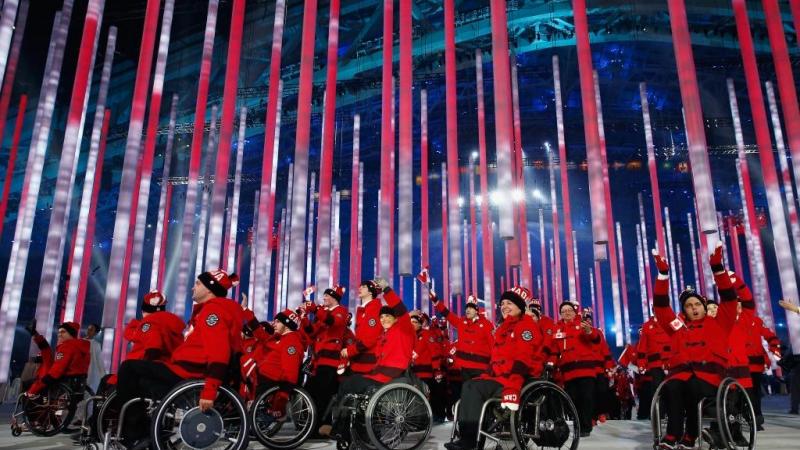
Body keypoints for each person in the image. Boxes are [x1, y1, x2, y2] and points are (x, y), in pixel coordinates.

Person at [113, 269, 242, 449]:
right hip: (184, 370)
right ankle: (147, 432)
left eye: (197, 284)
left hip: (189, 373)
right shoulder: (208, 312)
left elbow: (219, 353)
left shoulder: (213, 312)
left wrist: (209, 391)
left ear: (210, 289)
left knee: (129, 368)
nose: (192, 287)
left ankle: (135, 434)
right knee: (139, 382)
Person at [651, 244, 738, 450]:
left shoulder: (719, 323)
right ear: (685, 311)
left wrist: (717, 268)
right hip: (681, 376)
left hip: (709, 377)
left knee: (691, 388)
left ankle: (690, 436)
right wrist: (663, 275)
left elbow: (729, 298)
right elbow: (661, 307)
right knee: (671, 387)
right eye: (689, 306)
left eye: (697, 304)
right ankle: (673, 435)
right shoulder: (677, 327)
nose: (694, 308)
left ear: (704, 306)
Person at [445, 287, 542, 450]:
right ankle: (468, 438)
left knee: (474, 388)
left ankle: (469, 441)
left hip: (519, 381)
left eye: (509, 303)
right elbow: (496, 360)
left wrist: (513, 387)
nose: (504, 306)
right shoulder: (503, 329)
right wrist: (486, 374)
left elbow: (523, 361)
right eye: (502, 303)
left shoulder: (526, 327)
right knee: (469, 385)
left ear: (520, 307)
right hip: (501, 379)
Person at [325, 278, 414, 439]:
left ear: (395, 319)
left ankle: (342, 430)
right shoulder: (384, 335)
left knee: (350, 384)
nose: (384, 319)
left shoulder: (403, 329)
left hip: (392, 376)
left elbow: (400, 309)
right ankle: (349, 430)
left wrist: (386, 289)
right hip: (378, 374)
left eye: (388, 316)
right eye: (382, 318)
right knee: (349, 387)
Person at [550, 301, 603, 437]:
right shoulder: (557, 329)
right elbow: (555, 351)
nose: (566, 312)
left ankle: (584, 427)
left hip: (586, 370)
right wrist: (551, 364)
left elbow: (596, 339)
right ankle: (578, 424)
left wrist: (589, 331)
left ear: (574, 312)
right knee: (573, 399)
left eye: (569, 310)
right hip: (568, 372)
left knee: (586, 398)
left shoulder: (583, 324)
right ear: (560, 314)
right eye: (563, 311)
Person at [302, 285, 348, 430]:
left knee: (323, 395)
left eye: (327, 296)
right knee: (311, 393)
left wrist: (316, 309)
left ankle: (322, 426)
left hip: (330, 362)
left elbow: (333, 322)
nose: (324, 298)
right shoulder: (324, 313)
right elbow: (312, 332)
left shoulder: (341, 311)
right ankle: (315, 425)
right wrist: (304, 318)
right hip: (318, 362)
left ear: (335, 298)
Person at [432, 293, 494, 381]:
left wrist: (492, 366)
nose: (468, 310)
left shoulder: (487, 325)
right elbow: (447, 313)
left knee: (478, 393)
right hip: (464, 368)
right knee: (466, 392)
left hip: (481, 369)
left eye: (471, 307)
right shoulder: (461, 322)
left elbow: (493, 346)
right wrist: (435, 300)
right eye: (467, 307)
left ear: (477, 310)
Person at [25, 321, 90, 396]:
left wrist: (35, 388)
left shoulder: (67, 346)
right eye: (59, 332)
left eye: (63, 332)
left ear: (71, 333)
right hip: (78, 384)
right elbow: (47, 352)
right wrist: (35, 334)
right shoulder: (80, 346)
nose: (59, 334)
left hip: (64, 385)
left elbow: (55, 372)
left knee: (31, 385)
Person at [636, 313, 672, 420]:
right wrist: (641, 364)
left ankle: (673, 414)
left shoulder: (671, 322)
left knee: (672, 390)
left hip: (671, 363)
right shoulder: (647, 326)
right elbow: (642, 347)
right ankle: (659, 416)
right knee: (657, 390)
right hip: (655, 365)